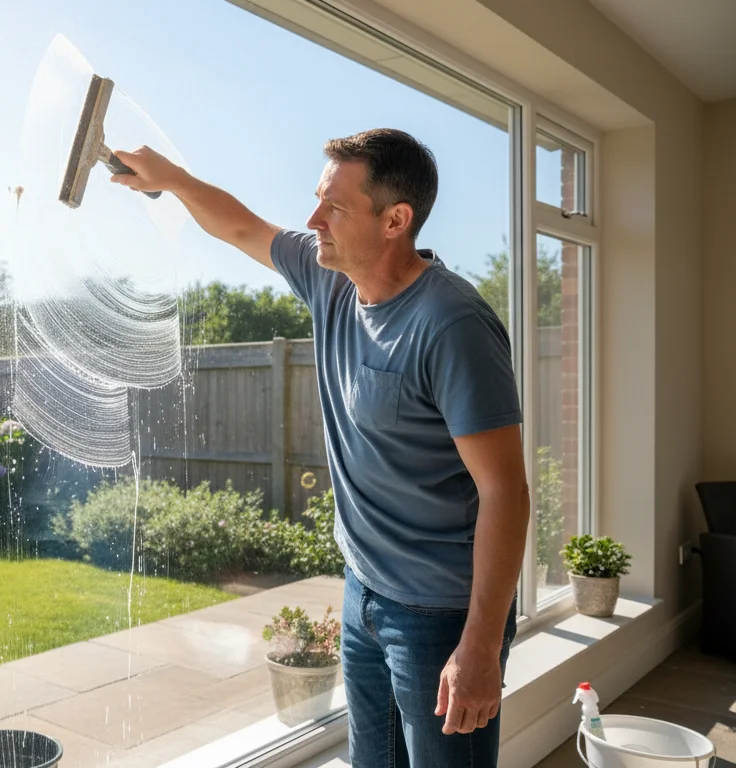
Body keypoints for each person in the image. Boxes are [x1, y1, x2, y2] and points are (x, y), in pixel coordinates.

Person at [111, 128, 528, 767]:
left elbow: (505, 491)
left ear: (396, 220)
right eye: (317, 199)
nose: (313, 221)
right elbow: (243, 229)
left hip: (441, 616)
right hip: (364, 591)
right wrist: (171, 178)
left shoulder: (452, 325)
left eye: (333, 206)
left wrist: (477, 648)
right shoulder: (330, 279)